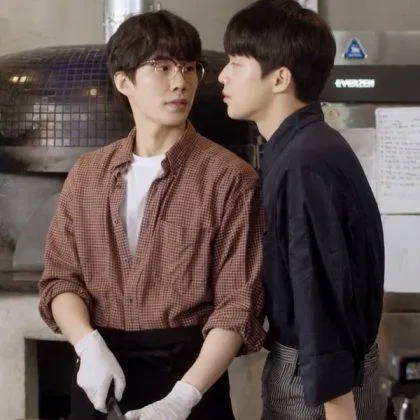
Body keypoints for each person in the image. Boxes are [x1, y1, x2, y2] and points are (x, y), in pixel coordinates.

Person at [39, 9, 265, 420]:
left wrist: (183, 398)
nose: (180, 82)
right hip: (100, 378)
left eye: (189, 68)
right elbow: (60, 280)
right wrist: (88, 344)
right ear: (123, 81)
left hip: (190, 384)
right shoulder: (87, 175)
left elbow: (238, 306)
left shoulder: (231, 179)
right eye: (162, 67)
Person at [218, 1, 386, 419]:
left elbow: (319, 292)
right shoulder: (306, 145)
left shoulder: (303, 162)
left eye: (236, 63)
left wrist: (338, 409)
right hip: (326, 373)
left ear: (279, 78)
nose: (222, 75)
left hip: (315, 386)